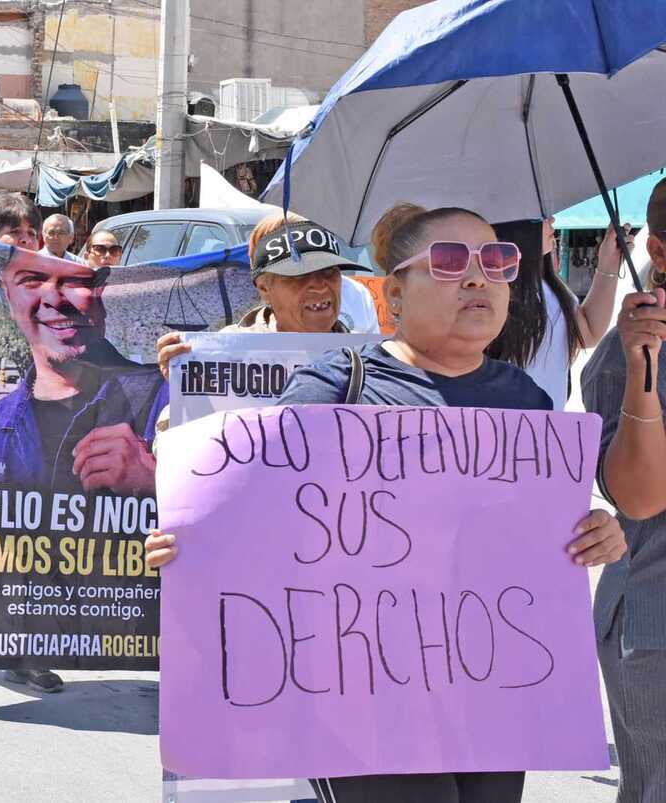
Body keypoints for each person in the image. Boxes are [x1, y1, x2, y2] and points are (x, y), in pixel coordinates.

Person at [148, 202, 628, 803]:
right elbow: (253, 502)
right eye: (450, 262)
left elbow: (540, 532)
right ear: (394, 296)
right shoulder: (340, 384)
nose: (478, 277)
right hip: (364, 702)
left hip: (491, 697)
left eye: (497, 261)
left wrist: (597, 532)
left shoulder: (524, 400)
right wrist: (193, 544)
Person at [0, 193, 168, 693]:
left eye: (71, 284)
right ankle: (18, 647)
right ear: (7, 296)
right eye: (28, 276)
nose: (55, 299)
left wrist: (151, 477)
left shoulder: (150, 390)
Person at [581, 177, 666, 803]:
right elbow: (639, 500)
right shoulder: (623, 356)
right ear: (658, 252)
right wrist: (643, 372)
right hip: (655, 625)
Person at [156, 213, 355, 383]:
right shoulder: (220, 355)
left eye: (328, 270)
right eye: (299, 274)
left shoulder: (367, 358)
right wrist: (182, 386)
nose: (320, 285)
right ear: (264, 288)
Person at [489, 217, 623, 409]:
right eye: (542, 216)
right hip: (503, 428)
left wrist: (608, 264)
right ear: (517, 224)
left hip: (550, 429)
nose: (552, 220)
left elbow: (588, 332)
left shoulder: (546, 283)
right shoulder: (492, 288)